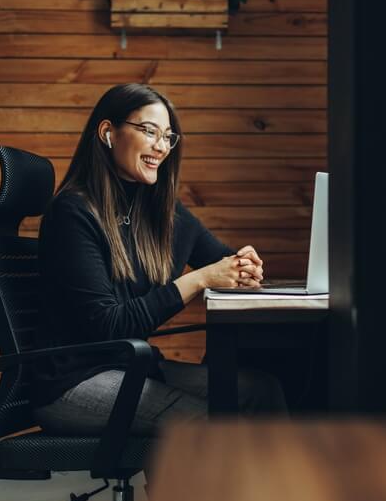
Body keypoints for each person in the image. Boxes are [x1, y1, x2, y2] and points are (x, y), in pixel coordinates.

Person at [31, 83, 288, 437]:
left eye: (168, 136)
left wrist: (245, 266)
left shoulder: (162, 212)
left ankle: (275, 494)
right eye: (149, 131)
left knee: (260, 390)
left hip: (131, 366)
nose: (161, 146)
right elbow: (109, 326)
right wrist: (199, 280)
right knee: (211, 425)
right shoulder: (73, 213)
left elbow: (221, 259)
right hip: (72, 382)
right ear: (108, 133)